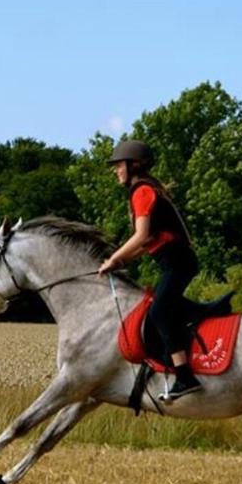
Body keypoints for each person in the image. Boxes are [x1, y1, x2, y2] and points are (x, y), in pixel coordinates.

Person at [96, 139, 202, 401]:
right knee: (162, 306)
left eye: (119, 165)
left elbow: (141, 235)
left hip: (178, 263)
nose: (115, 170)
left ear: (134, 165)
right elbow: (148, 242)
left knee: (159, 311)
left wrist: (114, 258)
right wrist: (122, 261)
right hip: (176, 262)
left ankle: (185, 376)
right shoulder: (146, 189)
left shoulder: (141, 191)